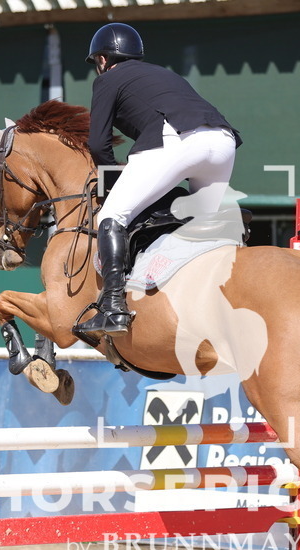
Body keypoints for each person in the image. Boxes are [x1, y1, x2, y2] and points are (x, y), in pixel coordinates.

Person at [75, 22, 242, 339]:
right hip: (222, 140)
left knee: (112, 215)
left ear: (102, 60)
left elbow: (98, 144)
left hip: (176, 139)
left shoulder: (109, 79)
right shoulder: (163, 74)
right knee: (203, 227)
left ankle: (112, 307)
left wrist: (109, 181)